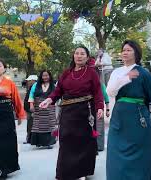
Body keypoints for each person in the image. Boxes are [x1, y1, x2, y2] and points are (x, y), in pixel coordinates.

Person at [106, 40, 151, 180]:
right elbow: (110, 91)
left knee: (138, 159)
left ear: (136, 53)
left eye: (129, 50)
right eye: (124, 50)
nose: (125, 52)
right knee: (115, 156)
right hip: (119, 120)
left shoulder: (143, 73)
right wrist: (126, 78)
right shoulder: (117, 72)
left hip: (138, 121)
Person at [39, 46, 104, 180]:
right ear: (73, 56)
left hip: (85, 111)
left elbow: (98, 91)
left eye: (82, 54)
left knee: (83, 142)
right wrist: (49, 99)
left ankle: (81, 172)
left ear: (87, 57)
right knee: (67, 141)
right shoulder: (66, 73)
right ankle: (66, 172)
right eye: (76, 53)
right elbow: (58, 91)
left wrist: (100, 107)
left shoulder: (92, 72)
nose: (79, 56)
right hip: (68, 112)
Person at [0, 58, 26, 178]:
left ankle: (6, 168)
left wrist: (20, 115)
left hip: (6, 113)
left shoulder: (10, 83)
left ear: (4, 68)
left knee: (7, 141)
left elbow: (16, 99)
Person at [28, 70, 56, 148]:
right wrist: (31, 105)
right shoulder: (35, 85)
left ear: (49, 76)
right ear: (41, 76)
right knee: (38, 125)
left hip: (50, 108)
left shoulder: (53, 85)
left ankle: (49, 143)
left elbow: (56, 96)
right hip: (38, 108)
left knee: (50, 125)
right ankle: (38, 142)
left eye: (47, 75)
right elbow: (31, 96)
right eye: (43, 76)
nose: (45, 77)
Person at [23, 75, 38, 144]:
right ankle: (29, 138)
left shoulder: (35, 88)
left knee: (31, 124)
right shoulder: (30, 88)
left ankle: (30, 138)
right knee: (29, 124)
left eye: (29, 80)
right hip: (28, 109)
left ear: (33, 81)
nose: (28, 82)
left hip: (31, 109)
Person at [96, 82, 110, 151]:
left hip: (98, 109)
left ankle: (99, 146)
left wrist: (107, 109)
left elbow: (106, 97)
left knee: (99, 128)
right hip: (91, 109)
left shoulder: (101, 84)